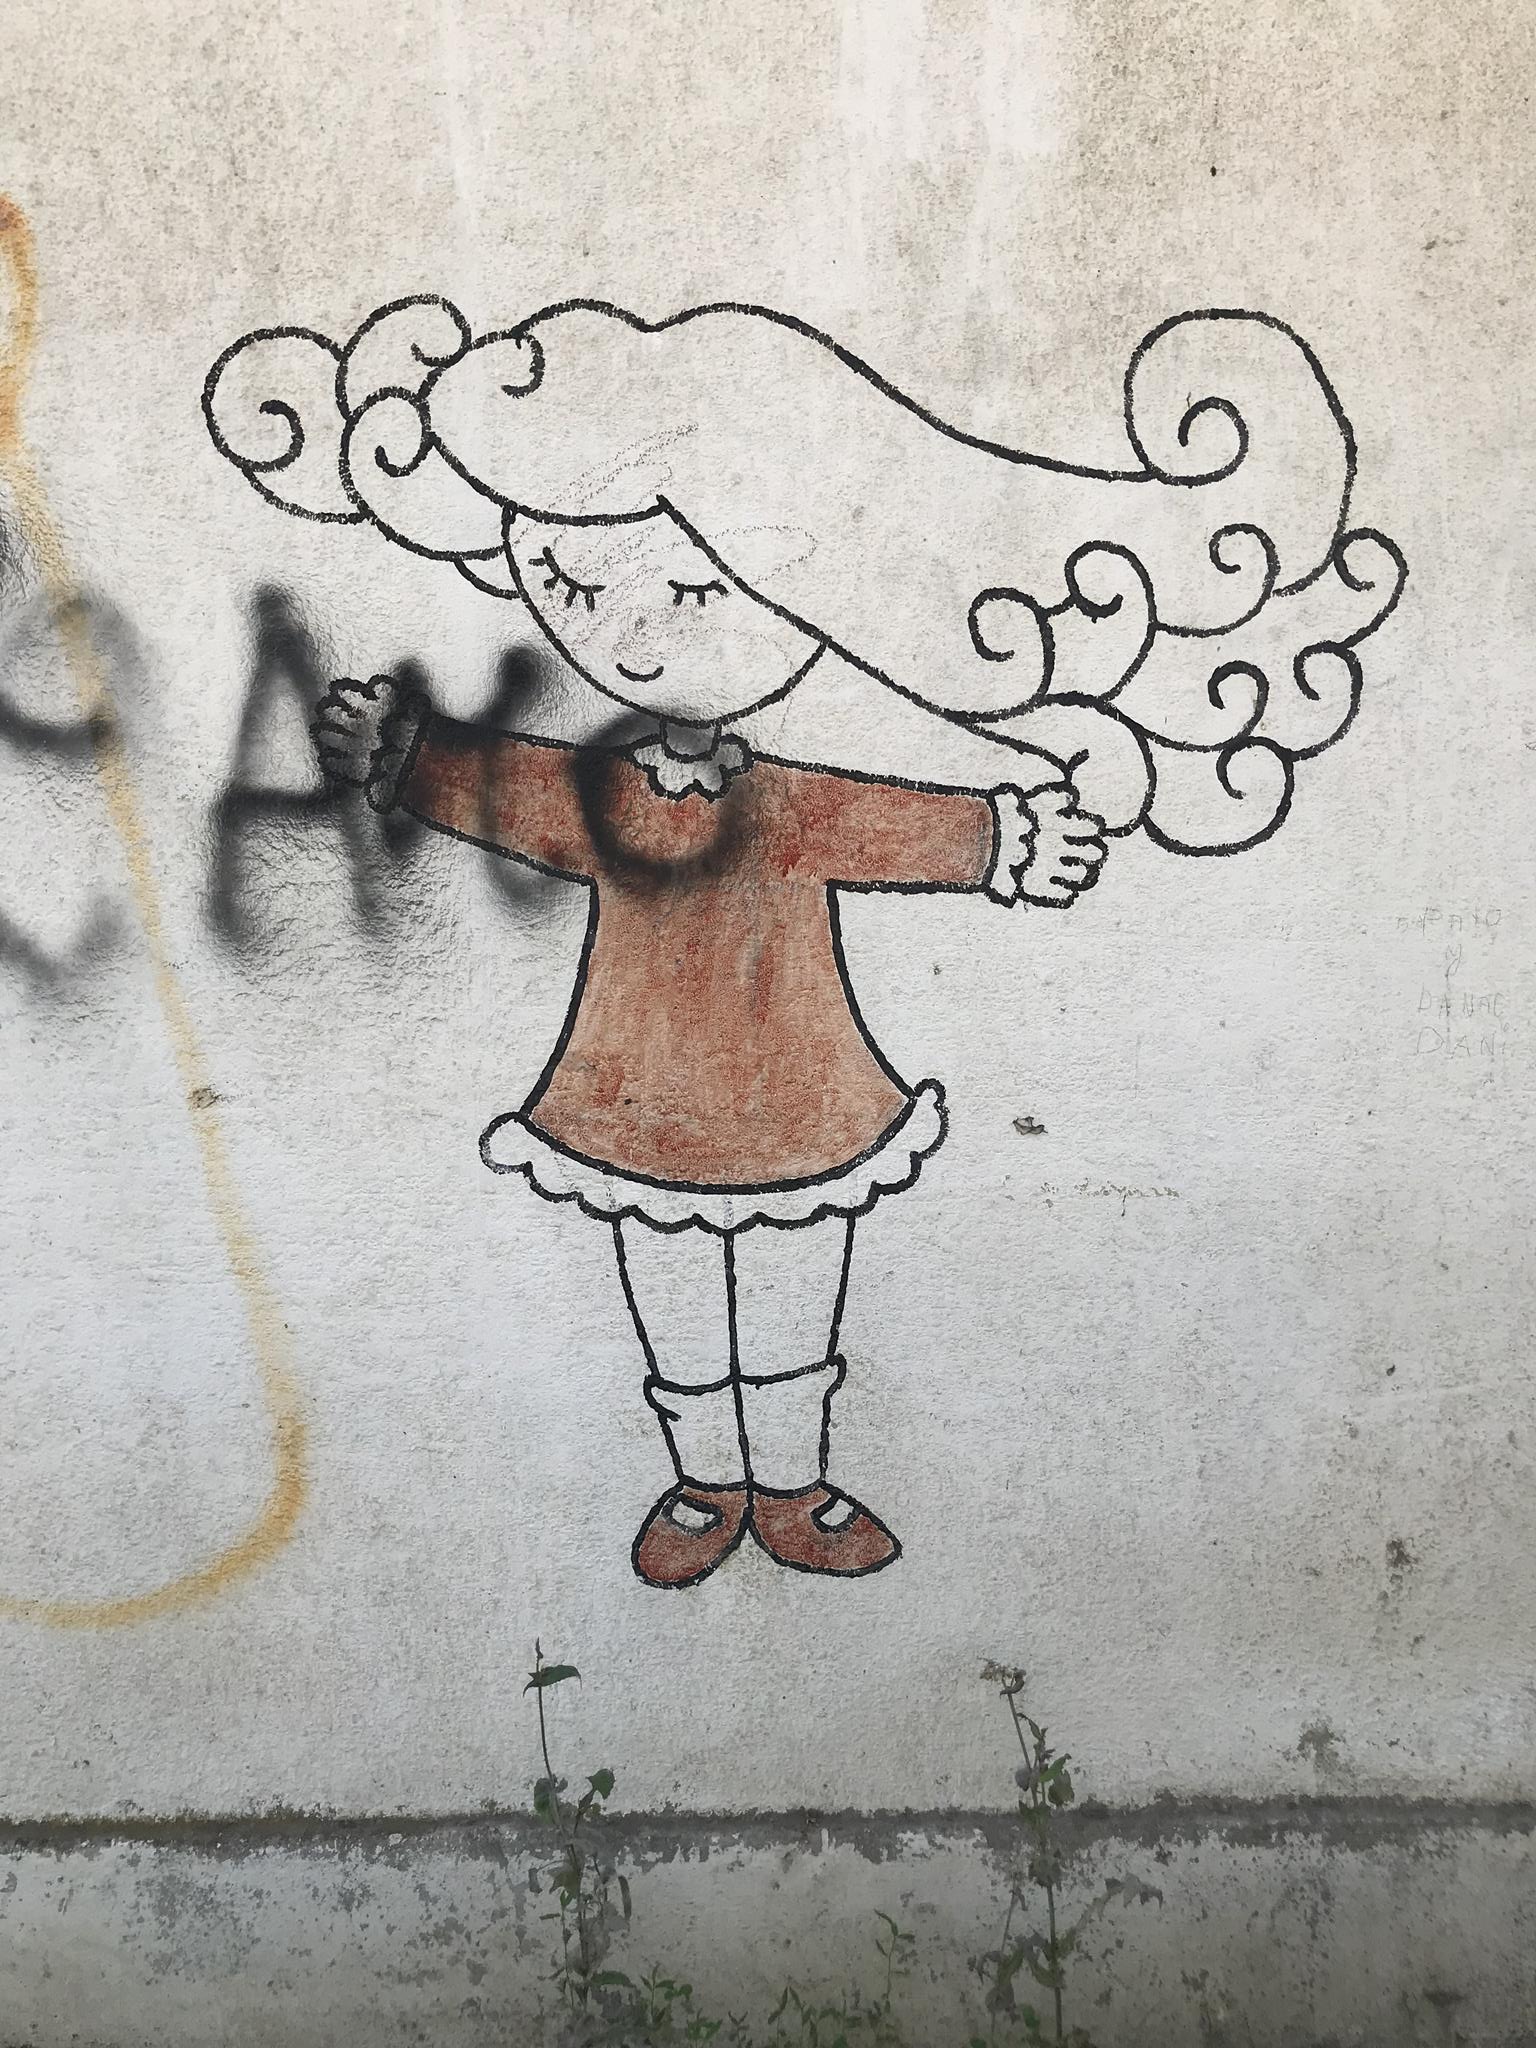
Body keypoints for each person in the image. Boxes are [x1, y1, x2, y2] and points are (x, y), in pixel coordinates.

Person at [204, 294, 1404, 1586]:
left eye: (694, 590)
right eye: (580, 586)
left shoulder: (784, 803)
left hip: (801, 1100)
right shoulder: (607, 791)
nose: (638, 636)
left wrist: (1004, 838)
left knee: (790, 1294)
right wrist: (409, 755)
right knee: (673, 1300)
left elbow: (887, 827)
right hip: (635, 1100)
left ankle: (788, 1483)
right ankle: (705, 1482)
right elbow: (522, 793)